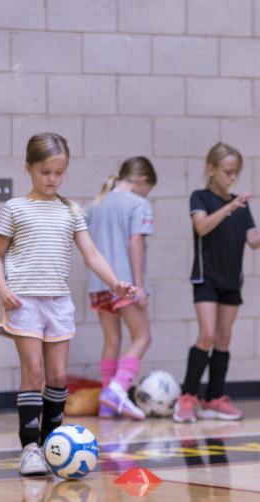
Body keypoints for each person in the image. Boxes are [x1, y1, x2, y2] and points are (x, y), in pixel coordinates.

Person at [0, 132, 134, 476]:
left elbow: (92, 254)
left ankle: (52, 443)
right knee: (34, 373)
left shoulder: (71, 211)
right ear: (29, 168)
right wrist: (2, 288)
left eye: (59, 172)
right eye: (45, 172)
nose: (52, 179)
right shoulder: (15, 208)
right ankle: (29, 448)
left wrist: (116, 283)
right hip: (23, 301)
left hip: (58, 303)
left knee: (56, 377)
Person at [173, 142, 260, 423]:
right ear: (211, 169)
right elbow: (201, 226)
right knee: (206, 335)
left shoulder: (241, 205)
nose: (232, 178)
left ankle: (214, 399)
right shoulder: (200, 197)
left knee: (224, 338)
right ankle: (187, 397)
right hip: (206, 278)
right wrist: (230, 207)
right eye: (227, 172)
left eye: (235, 173)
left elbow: (253, 241)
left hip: (231, 280)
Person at [87, 157, 158, 420]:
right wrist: (139, 285)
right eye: (149, 188)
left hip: (99, 284)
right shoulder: (139, 204)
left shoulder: (96, 204)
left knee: (112, 341)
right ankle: (118, 389)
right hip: (125, 283)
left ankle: (107, 402)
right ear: (142, 181)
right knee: (142, 337)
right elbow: (135, 242)